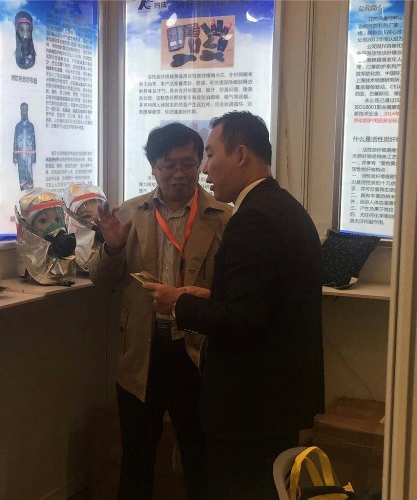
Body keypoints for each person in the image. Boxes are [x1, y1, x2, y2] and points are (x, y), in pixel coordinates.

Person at [143, 111, 325, 499]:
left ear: (240, 154)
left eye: (209, 154)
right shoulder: (284, 207)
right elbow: (263, 303)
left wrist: (178, 303)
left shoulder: (253, 219)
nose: (204, 168)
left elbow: (244, 320)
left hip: (251, 405)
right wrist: (213, 298)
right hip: (278, 398)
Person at [88, 123, 231, 500]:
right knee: (136, 457)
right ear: (153, 167)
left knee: (201, 457)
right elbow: (101, 280)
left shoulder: (224, 217)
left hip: (197, 352)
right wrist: (113, 249)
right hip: (142, 352)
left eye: (188, 163)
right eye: (168, 164)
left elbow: (233, 291)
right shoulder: (130, 213)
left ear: (200, 164)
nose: (179, 173)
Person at [64, 184, 107, 275]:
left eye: (101, 215)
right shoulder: (61, 266)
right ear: (69, 220)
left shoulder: (114, 254)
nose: (97, 222)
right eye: (86, 216)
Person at [13, 102, 36, 191]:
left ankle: (30, 190)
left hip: (29, 155)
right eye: (22, 109)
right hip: (20, 155)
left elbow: (34, 142)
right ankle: (22, 190)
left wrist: (34, 158)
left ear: (27, 110)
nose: (24, 111)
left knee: (29, 173)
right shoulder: (17, 127)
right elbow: (15, 141)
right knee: (21, 172)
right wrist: (15, 157)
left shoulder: (31, 126)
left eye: (25, 109)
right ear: (20, 111)